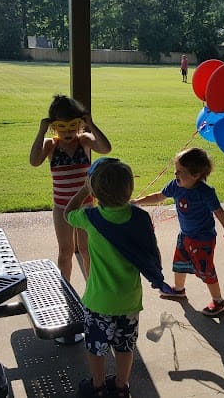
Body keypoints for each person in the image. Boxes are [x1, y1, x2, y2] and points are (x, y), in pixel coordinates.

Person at [65, 157, 166, 398]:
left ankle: (98, 386)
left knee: (96, 347)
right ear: (129, 189)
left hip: (99, 301)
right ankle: (121, 387)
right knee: (125, 346)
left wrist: (84, 190)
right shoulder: (140, 217)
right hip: (129, 300)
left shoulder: (90, 217)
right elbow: (152, 251)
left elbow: (67, 213)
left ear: (95, 192)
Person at [132, 147, 224, 317]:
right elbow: (159, 196)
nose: (175, 174)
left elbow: (218, 211)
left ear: (195, 175)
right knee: (179, 263)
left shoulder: (205, 192)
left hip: (202, 239)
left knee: (206, 270)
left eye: (180, 171)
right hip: (185, 234)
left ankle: (218, 301)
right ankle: (178, 290)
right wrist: (138, 201)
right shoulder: (176, 185)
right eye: (176, 169)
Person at [29, 94, 112, 284]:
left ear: (79, 125)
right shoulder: (51, 145)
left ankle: (92, 288)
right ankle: (65, 288)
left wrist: (91, 124)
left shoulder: (84, 141)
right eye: (62, 127)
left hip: (85, 205)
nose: (68, 132)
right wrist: (41, 132)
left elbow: (106, 148)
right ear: (54, 127)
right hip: (61, 207)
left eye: (72, 126)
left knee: (86, 249)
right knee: (65, 251)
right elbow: (34, 161)